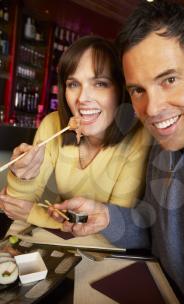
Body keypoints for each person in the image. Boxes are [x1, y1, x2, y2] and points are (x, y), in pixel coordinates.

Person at [0, 0, 184, 304]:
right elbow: (154, 227)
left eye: (169, 79)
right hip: (157, 298)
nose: (152, 110)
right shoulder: (164, 137)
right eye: (138, 89)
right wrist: (108, 216)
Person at [0, 35, 151, 232]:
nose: (82, 98)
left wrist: (34, 214)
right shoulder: (52, 124)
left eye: (100, 83)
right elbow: (14, 208)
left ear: (121, 90)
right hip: (58, 244)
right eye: (73, 84)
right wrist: (22, 176)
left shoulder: (140, 137)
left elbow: (113, 229)